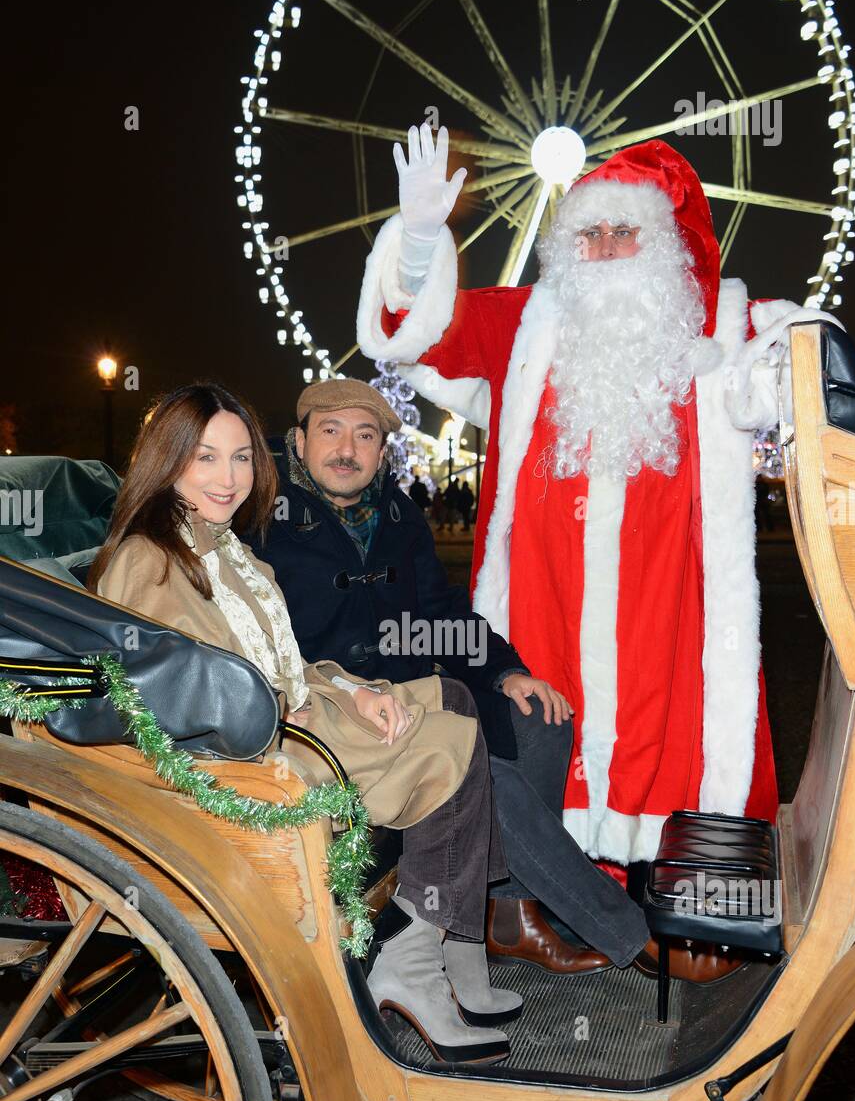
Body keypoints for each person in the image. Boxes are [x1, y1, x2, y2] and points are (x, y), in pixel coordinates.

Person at [357, 125, 833, 890]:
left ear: (666, 247)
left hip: (672, 606)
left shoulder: (720, 326)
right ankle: (539, 890)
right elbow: (420, 335)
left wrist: (790, 363)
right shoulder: (525, 328)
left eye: (624, 232)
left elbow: (811, 357)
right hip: (544, 602)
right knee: (544, 732)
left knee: (669, 733)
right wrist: (417, 242)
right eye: (591, 233)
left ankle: (684, 883)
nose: (606, 249)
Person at [89, 381, 535, 1065]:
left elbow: (288, 657)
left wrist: (354, 692)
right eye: (206, 459)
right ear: (168, 461)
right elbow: (170, 707)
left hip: (293, 716)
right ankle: (423, 954)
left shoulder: (224, 546)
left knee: (449, 703)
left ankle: (444, 939)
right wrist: (294, 702)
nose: (228, 478)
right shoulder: (151, 562)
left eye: (240, 459)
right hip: (253, 760)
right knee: (449, 735)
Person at [258, 379, 721, 985]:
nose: (347, 448)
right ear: (299, 439)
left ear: (380, 452)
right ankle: (626, 933)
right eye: (331, 431)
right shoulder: (266, 518)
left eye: (365, 435)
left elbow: (443, 612)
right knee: (483, 770)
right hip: (337, 708)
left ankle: (509, 911)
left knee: (540, 720)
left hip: (415, 689)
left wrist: (506, 672)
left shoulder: (396, 514)